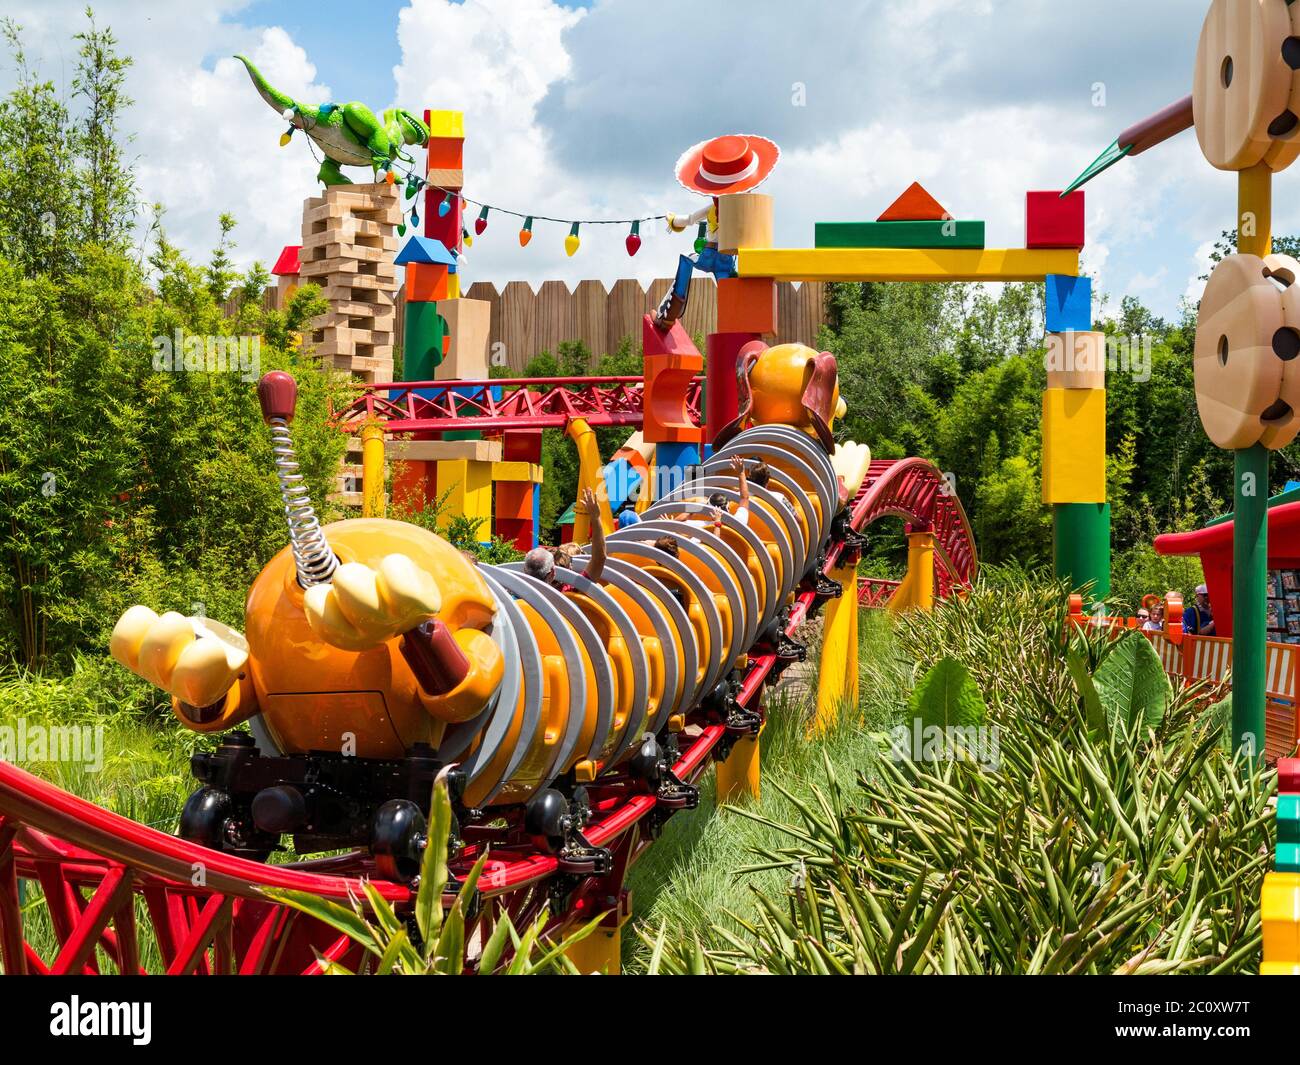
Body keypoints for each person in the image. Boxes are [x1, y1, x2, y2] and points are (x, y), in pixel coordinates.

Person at [523, 488, 607, 587]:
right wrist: (595, 517)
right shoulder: (570, 591)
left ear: (524, 570)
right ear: (553, 573)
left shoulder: (515, 596)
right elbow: (599, 558)